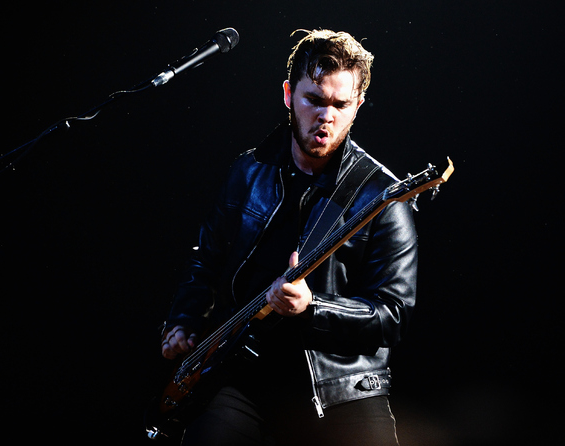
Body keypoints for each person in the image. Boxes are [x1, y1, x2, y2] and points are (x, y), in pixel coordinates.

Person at [160, 29, 418, 445]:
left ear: (358, 107)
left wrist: (314, 307)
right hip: (246, 376)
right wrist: (184, 320)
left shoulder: (383, 196)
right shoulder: (248, 172)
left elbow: (393, 315)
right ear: (288, 95)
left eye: (341, 105)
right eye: (314, 100)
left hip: (342, 387)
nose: (326, 116)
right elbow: (206, 259)